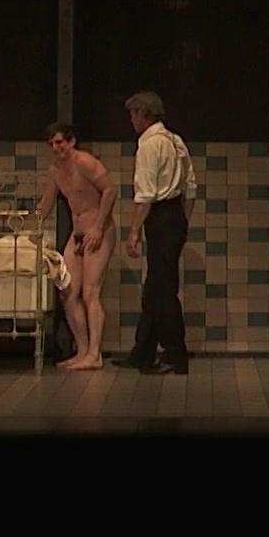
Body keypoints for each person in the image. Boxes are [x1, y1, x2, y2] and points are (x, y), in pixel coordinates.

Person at [115, 91, 196, 376]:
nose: (131, 120)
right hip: (174, 215)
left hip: (159, 216)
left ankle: (175, 353)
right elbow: (190, 187)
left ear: (143, 114)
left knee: (163, 290)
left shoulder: (149, 145)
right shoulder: (175, 140)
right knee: (155, 287)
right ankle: (143, 351)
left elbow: (146, 195)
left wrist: (134, 232)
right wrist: (183, 221)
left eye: (133, 114)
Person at [34, 122, 117, 371]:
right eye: (51, 144)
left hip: (98, 232)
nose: (55, 148)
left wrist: (98, 227)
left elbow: (110, 191)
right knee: (68, 293)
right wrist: (30, 228)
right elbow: (46, 203)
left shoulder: (85, 162)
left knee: (90, 293)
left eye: (59, 142)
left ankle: (95, 354)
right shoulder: (56, 172)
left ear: (71, 141)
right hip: (77, 234)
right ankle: (82, 350)